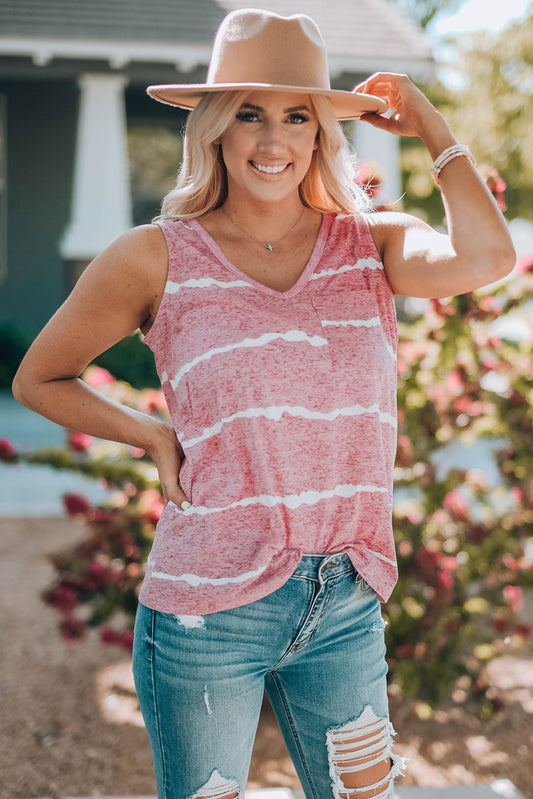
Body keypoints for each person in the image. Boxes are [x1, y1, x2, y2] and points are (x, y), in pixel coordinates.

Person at [13, 8, 515, 799]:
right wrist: (147, 432)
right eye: (248, 113)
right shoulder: (153, 256)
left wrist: (427, 125)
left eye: (296, 117)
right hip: (205, 613)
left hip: (344, 600)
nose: (272, 140)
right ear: (214, 127)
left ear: (322, 134)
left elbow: (487, 257)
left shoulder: (372, 244)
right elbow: (39, 376)